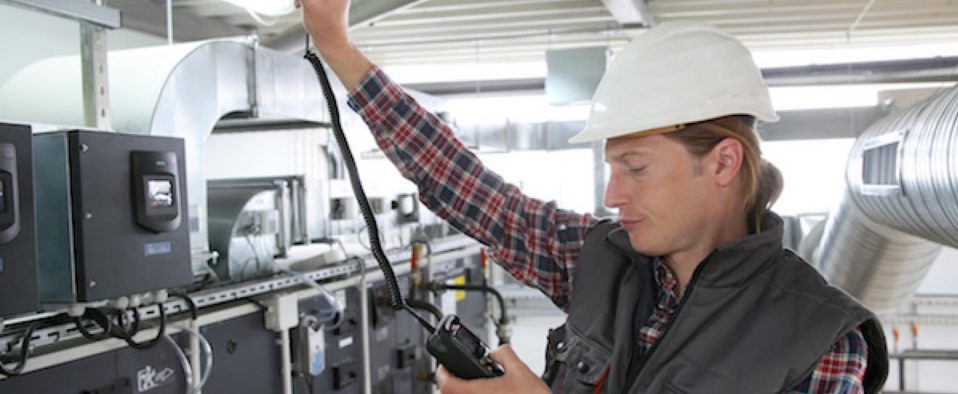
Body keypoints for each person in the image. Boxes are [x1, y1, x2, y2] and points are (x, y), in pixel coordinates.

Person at [298, 1, 889, 392]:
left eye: (635, 168)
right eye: (611, 167)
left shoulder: (820, 340)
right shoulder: (601, 257)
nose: (613, 194)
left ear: (723, 162)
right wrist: (337, 46)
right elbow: (469, 187)